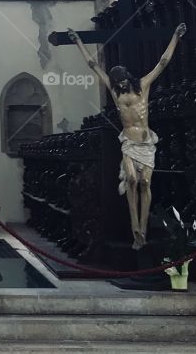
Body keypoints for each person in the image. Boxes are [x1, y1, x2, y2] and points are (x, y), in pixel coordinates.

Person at [68, 23, 186, 249]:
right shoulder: (115, 93)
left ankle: (143, 227)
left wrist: (175, 36)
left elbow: (162, 63)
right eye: (117, 82)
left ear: (127, 77)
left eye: (122, 80)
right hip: (129, 143)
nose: (120, 84)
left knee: (145, 182)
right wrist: (78, 42)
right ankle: (135, 228)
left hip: (146, 142)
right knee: (131, 180)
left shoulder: (142, 86)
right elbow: (93, 65)